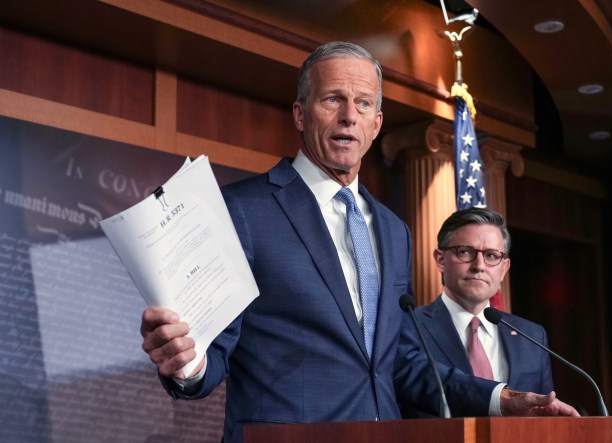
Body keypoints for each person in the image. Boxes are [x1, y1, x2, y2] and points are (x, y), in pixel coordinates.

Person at [140, 41, 578, 442]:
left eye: (363, 103)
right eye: (333, 99)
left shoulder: (393, 229)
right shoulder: (243, 210)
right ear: (300, 113)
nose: (349, 115)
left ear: (376, 123)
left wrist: (501, 399)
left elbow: (402, 362)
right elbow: (211, 351)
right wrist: (187, 365)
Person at [396, 208, 555, 417]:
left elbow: (544, 416)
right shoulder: (407, 326)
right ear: (441, 260)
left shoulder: (532, 336)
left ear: (504, 268)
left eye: (491, 255)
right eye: (465, 252)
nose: (479, 265)